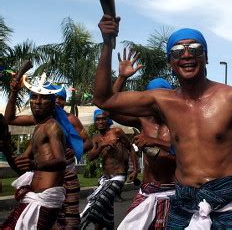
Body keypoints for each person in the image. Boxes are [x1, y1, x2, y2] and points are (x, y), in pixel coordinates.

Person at [93, 16, 232, 229]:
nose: (187, 55)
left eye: (195, 49)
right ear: (170, 62)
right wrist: (108, 42)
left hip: (231, 205)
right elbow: (103, 99)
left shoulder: (231, 98)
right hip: (185, 204)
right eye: (178, 52)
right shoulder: (162, 101)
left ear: (206, 57)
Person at [4, 82, 90, 230]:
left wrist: (74, 150)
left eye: (60, 99)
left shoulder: (67, 120)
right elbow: (10, 119)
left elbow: (87, 142)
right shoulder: (40, 122)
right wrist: (14, 91)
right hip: (46, 177)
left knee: (69, 220)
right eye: (35, 97)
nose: (58, 102)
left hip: (66, 174)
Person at [111, 48, 177, 230]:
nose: (156, 102)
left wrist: (154, 142)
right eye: (152, 97)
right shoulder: (142, 119)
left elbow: (187, 154)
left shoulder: (179, 122)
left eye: (161, 97)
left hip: (173, 191)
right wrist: (122, 78)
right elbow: (110, 107)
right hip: (147, 191)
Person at [80, 109, 138, 230]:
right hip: (105, 178)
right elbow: (90, 157)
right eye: (98, 119)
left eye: (103, 119)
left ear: (108, 120)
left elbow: (131, 148)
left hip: (119, 176)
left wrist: (135, 170)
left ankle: (83, 222)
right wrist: (102, 146)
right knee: (106, 210)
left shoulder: (117, 132)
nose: (100, 122)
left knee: (97, 203)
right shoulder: (96, 138)